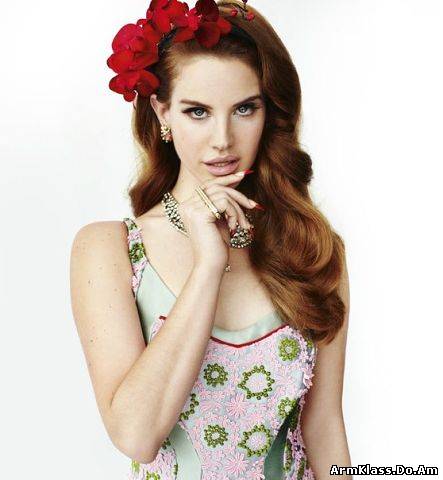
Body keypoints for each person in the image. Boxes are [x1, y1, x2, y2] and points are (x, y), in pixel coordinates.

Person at [70, 1, 352, 478]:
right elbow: (136, 436)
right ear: (162, 112)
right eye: (197, 111)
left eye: (244, 108)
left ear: (269, 112)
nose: (223, 138)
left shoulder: (314, 249)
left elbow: (324, 427)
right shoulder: (109, 250)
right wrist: (207, 265)